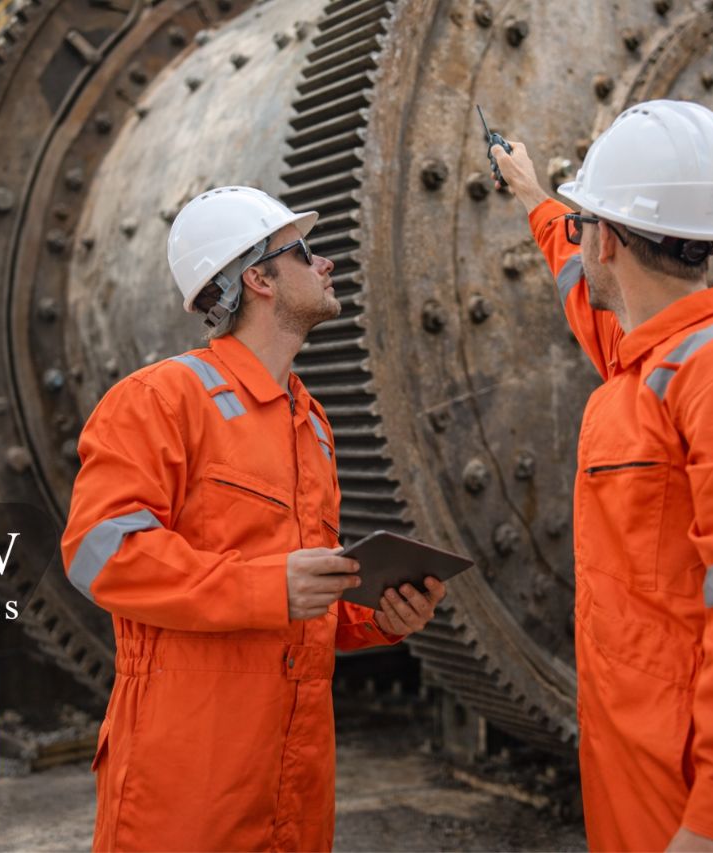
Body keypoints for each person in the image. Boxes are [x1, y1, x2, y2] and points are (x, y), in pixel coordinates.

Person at [491, 101, 713, 851]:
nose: (579, 237)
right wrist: (533, 195)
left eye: (585, 219)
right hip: (643, 790)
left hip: (706, 816)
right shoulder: (648, 362)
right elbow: (579, 284)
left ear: (610, 239)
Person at [61, 185, 446, 852]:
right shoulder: (160, 398)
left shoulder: (310, 421)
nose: (326, 264)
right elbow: (99, 553)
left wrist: (376, 615)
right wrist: (268, 587)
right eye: (305, 252)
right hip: (186, 788)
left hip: (294, 781)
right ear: (259, 278)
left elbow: (302, 590)